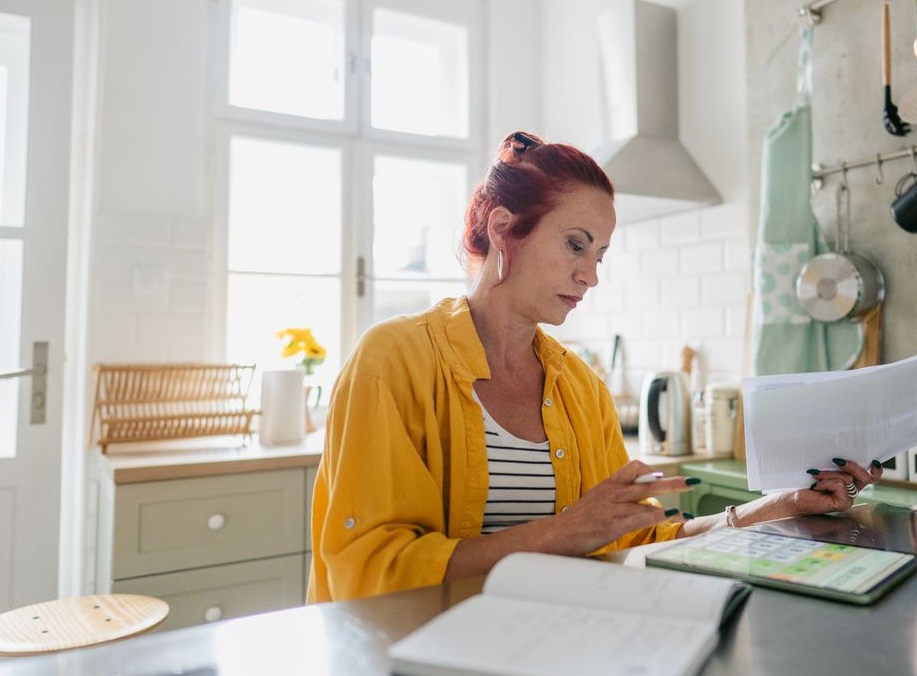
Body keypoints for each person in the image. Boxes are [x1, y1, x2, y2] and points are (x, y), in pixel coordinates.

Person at [307, 131, 882, 603]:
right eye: (576, 245)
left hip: (549, 646)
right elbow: (369, 567)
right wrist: (560, 533)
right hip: (412, 660)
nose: (591, 275)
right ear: (504, 229)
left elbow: (642, 536)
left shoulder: (578, 384)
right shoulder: (393, 359)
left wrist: (774, 507)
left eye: (600, 254)